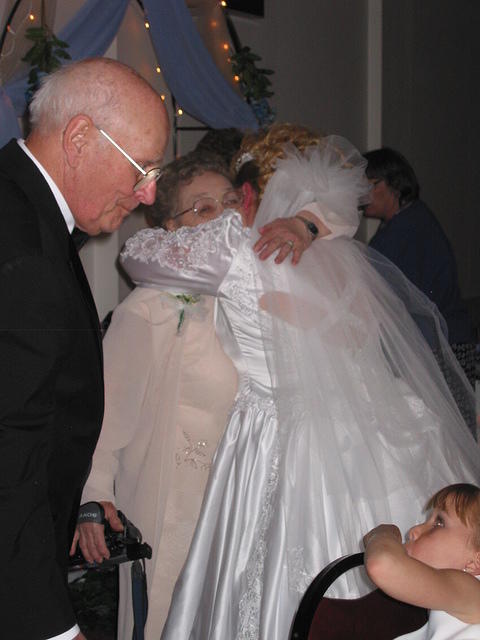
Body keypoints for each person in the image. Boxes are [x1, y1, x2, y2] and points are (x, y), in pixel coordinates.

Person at [119, 124, 479, 639]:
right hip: (361, 430)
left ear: (249, 194)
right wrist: (314, 225)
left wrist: (188, 226)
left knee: (262, 572)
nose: (224, 212)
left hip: (273, 436)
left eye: (228, 198)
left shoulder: (237, 251)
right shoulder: (334, 257)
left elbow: (136, 254)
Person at [76, 149, 321, 639]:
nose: (224, 217)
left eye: (230, 202)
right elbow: (105, 411)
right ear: (170, 227)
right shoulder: (149, 309)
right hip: (173, 506)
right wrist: (93, 497)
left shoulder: (256, 296)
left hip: (243, 500)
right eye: (203, 208)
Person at [0, 57, 169, 640]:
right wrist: (49, 625)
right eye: (142, 167)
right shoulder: (22, 245)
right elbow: (7, 454)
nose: (150, 193)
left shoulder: (24, 209)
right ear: (78, 139)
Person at [363, 148, 476, 436]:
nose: (360, 197)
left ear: (387, 184)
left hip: (441, 345)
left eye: (366, 186)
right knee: (455, 432)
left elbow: (370, 288)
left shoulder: (404, 230)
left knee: (449, 435)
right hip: (450, 338)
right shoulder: (413, 219)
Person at [364, 483, 480, 638]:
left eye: (439, 523)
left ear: (476, 561)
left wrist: (382, 534)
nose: (413, 531)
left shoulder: (472, 590)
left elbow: (382, 565)